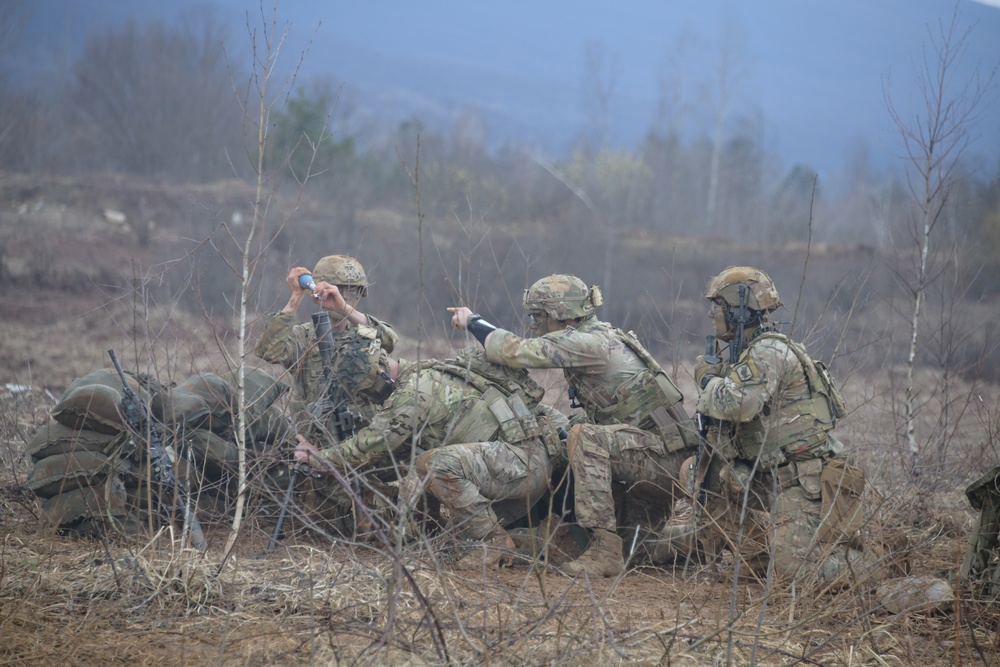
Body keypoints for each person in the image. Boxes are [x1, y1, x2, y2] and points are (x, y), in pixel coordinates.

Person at [689, 266, 955, 607]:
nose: (712, 315)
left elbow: (740, 404)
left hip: (804, 482)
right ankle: (757, 557)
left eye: (718, 308)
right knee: (704, 476)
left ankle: (881, 559)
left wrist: (709, 381)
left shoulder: (767, 352)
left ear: (738, 311)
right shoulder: (749, 353)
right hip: (770, 475)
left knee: (793, 577)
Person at [449, 274, 699, 577]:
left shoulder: (588, 343)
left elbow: (513, 351)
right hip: (653, 457)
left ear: (559, 315)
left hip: (663, 461)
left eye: (537, 316)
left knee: (584, 437)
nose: (534, 325)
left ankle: (604, 551)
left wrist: (473, 321)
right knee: (638, 549)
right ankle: (705, 541)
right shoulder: (600, 336)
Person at [294, 346, 568, 565]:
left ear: (380, 374)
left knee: (433, 463)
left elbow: (373, 444)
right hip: (518, 464)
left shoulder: (412, 394)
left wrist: (316, 457)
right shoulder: (425, 371)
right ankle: (531, 537)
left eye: (366, 392)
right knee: (428, 469)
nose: (367, 400)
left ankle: (492, 541)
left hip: (519, 468)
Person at [255, 254, 399, 535]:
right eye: (339, 288)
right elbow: (268, 350)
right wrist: (296, 297)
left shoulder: (366, 335)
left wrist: (344, 308)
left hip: (360, 445)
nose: (345, 295)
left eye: (351, 291)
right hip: (314, 445)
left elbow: (391, 339)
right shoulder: (304, 338)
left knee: (367, 521)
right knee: (321, 518)